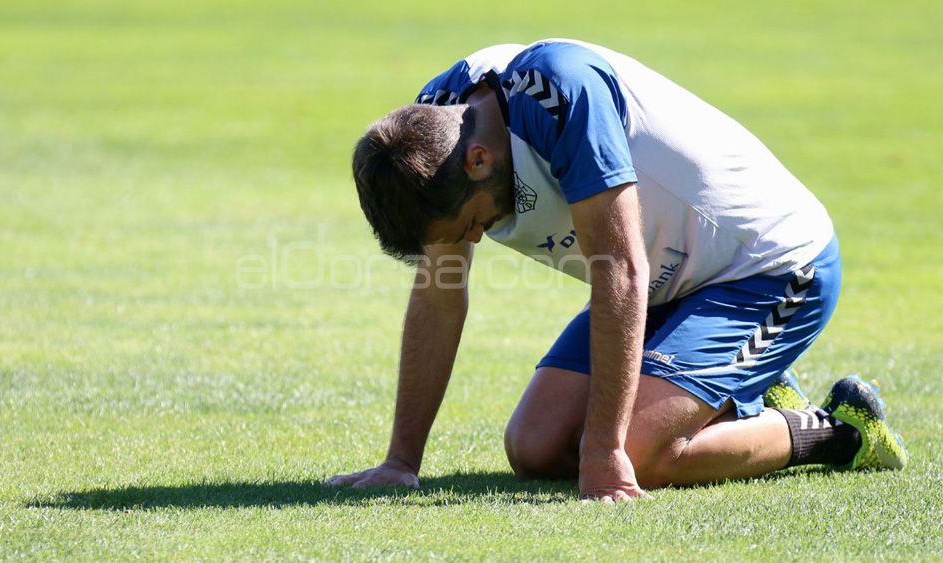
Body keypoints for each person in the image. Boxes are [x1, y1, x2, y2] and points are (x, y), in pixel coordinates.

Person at [328, 39, 908, 501]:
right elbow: (439, 292)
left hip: (768, 266)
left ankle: (840, 430)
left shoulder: (562, 95)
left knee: (641, 453)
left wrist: (606, 452)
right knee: (533, 449)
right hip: (665, 285)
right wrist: (401, 462)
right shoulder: (436, 127)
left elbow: (621, 273)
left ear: (479, 160)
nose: (476, 238)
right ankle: (736, 390)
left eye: (470, 224)